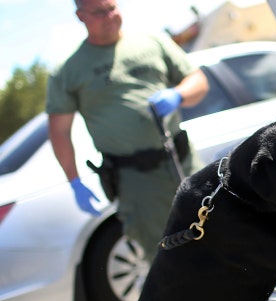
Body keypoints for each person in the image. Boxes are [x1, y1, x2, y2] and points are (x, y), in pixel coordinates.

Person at [46, 0, 209, 263]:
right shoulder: (68, 71)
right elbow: (59, 131)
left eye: (112, 7)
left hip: (183, 161)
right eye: (99, 12)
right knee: (167, 256)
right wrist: (73, 180)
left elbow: (198, 80)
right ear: (80, 16)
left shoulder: (152, 42)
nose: (109, 16)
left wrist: (179, 94)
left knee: (216, 232)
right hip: (136, 181)